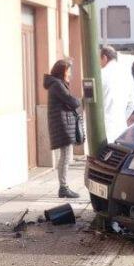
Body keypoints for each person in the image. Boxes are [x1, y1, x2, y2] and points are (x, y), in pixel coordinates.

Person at [44, 58, 83, 198]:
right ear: (63, 71)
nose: (70, 73)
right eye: (69, 70)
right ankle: (63, 187)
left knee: (65, 156)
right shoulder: (57, 85)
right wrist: (80, 100)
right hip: (62, 125)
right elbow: (71, 101)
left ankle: (64, 186)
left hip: (62, 124)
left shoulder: (57, 84)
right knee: (65, 157)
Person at [99, 45, 134, 142]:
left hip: (103, 127)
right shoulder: (127, 74)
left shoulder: (101, 74)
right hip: (120, 127)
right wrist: (123, 117)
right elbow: (132, 103)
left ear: (104, 58)